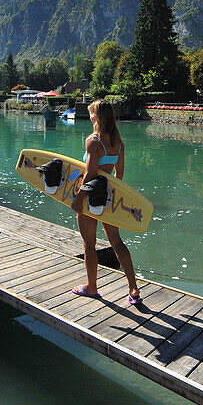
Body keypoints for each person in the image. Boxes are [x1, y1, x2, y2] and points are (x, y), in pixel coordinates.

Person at [70, 99, 142, 305]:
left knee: (89, 244)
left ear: (98, 117)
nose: (90, 116)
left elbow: (91, 173)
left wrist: (79, 199)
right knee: (117, 242)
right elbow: (119, 176)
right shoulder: (118, 144)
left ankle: (92, 288)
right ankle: (133, 288)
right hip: (108, 198)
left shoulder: (93, 141)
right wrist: (112, 197)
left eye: (92, 113)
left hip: (90, 198)